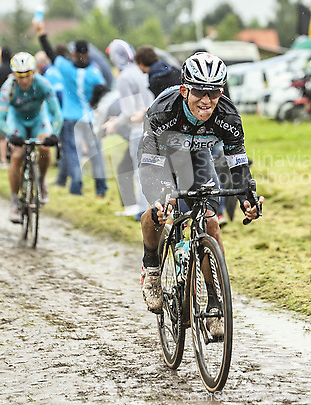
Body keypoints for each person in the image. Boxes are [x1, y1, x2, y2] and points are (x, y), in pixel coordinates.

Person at [138, 52, 263, 333]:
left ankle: (215, 302)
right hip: (161, 156)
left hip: (197, 157)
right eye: (199, 92)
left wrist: (247, 198)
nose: (206, 100)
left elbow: (238, 163)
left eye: (214, 92)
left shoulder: (227, 116)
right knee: (157, 211)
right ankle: (152, 268)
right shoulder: (163, 111)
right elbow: (149, 168)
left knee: (211, 221)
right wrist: (160, 196)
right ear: (184, 90)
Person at [33, 21, 108, 197]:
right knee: (95, 153)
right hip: (88, 117)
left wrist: (42, 33)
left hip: (69, 117)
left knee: (73, 153)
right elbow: (102, 87)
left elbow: (50, 52)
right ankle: (100, 188)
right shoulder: (94, 72)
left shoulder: (65, 68)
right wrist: (94, 102)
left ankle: (76, 186)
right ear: (88, 53)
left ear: (73, 54)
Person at [0, 52, 63, 223]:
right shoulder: (8, 88)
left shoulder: (43, 84)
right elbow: (1, 119)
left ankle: (41, 181)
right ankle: (14, 202)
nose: (24, 80)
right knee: (17, 155)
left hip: (38, 120)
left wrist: (54, 135)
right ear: (14, 75)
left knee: (44, 147)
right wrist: (9, 135)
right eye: (20, 76)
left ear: (34, 72)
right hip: (17, 120)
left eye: (27, 75)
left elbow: (57, 114)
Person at [104, 39, 154, 218]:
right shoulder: (141, 71)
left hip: (138, 130)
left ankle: (143, 211)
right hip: (154, 127)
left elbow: (128, 112)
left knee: (139, 172)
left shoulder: (125, 77)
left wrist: (113, 124)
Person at [0, 46, 12, 167]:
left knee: (2, 135)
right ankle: (12, 156)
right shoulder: (13, 70)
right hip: (14, 104)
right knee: (14, 130)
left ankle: (3, 160)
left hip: (2, 105)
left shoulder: (1, 70)